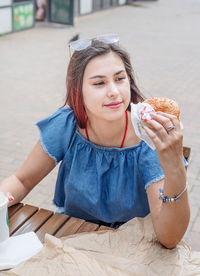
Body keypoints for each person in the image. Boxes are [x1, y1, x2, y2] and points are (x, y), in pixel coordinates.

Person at [0, 34, 190, 249]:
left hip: (132, 247)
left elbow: (169, 237)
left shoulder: (149, 136)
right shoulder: (66, 125)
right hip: (73, 238)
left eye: (120, 79)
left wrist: (174, 168)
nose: (114, 92)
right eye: (99, 83)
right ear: (77, 91)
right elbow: (22, 180)